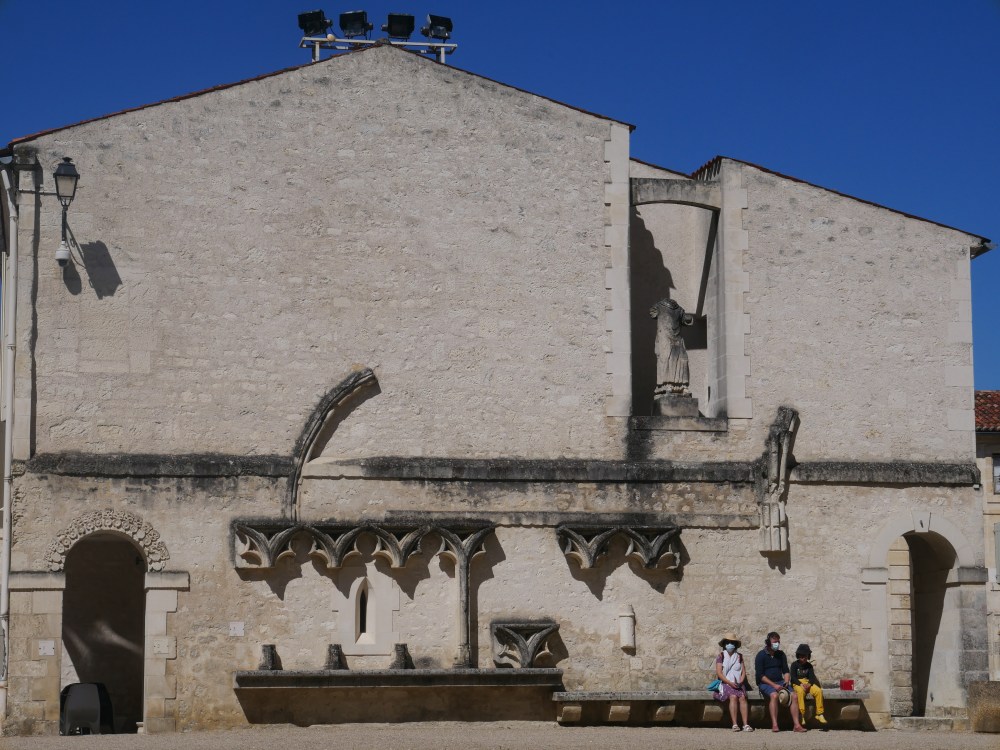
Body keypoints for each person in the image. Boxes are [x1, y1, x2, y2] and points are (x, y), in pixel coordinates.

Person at [754, 631, 806, 732]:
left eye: (778, 642)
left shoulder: (781, 654)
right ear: (768, 642)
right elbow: (760, 676)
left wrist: (786, 681)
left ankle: (796, 725)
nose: (776, 644)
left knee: (794, 696)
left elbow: (786, 670)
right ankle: (774, 724)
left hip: (780, 682)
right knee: (774, 695)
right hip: (765, 683)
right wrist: (774, 685)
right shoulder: (760, 655)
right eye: (774, 642)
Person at [714, 632, 753, 732]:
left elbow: (743, 671)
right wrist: (730, 683)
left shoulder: (739, 656)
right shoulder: (721, 656)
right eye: (728, 642)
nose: (730, 644)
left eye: (732, 642)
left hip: (738, 683)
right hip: (726, 682)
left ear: (735, 644)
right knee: (733, 697)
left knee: (743, 698)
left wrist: (741, 681)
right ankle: (735, 724)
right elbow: (719, 673)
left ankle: (745, 724)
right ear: (724, 644)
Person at [790, 644, 827, 725]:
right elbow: (792, 677)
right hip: (797, 683)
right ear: (798, 656)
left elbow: (812, 677)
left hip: (807, 683)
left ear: (808, 656)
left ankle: (820, 713)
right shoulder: (794, 665)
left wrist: (809, 684)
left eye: (805, 656)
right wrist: (800, 684)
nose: (803, 658)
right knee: (800, 692)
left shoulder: (809, 666)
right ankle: (801, 714)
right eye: (801, 656)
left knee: (818, 691)